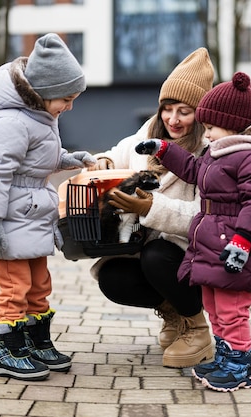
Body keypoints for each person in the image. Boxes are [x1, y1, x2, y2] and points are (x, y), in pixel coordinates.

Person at [135, 71, 251, 392]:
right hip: (210, 245)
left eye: (210, 128)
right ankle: (224, 355)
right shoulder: (219, 153)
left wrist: (242, 243)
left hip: (236, 247)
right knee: (215, 307)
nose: (205, 134)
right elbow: (194, 170)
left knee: (233, 310)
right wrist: (164, 149)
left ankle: (241, 365)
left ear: (232, 125)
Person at [0, 33, 96, 381]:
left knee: (39, 284)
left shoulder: (41, 116)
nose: (69, 106)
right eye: (66, 99)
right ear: (43, 91)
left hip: (30, 216)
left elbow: (38, 160)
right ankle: (7, 351)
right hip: (8, 219)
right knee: (15, 289)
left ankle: (35, 340)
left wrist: (71, 159)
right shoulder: (9, 122)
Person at [87, 48, 215, 368]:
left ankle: (197, 329)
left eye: (184, 111)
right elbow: (120, 152)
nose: (172, 119)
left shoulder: (210, 151)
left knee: (157, 255)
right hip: (147, 247)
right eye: (167, 109)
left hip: (193, 255)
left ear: (200, 114)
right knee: (112, 276)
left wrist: (150, 206)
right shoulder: (149, 131)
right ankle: (175, 314)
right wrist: (104, 161)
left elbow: (206, 218)